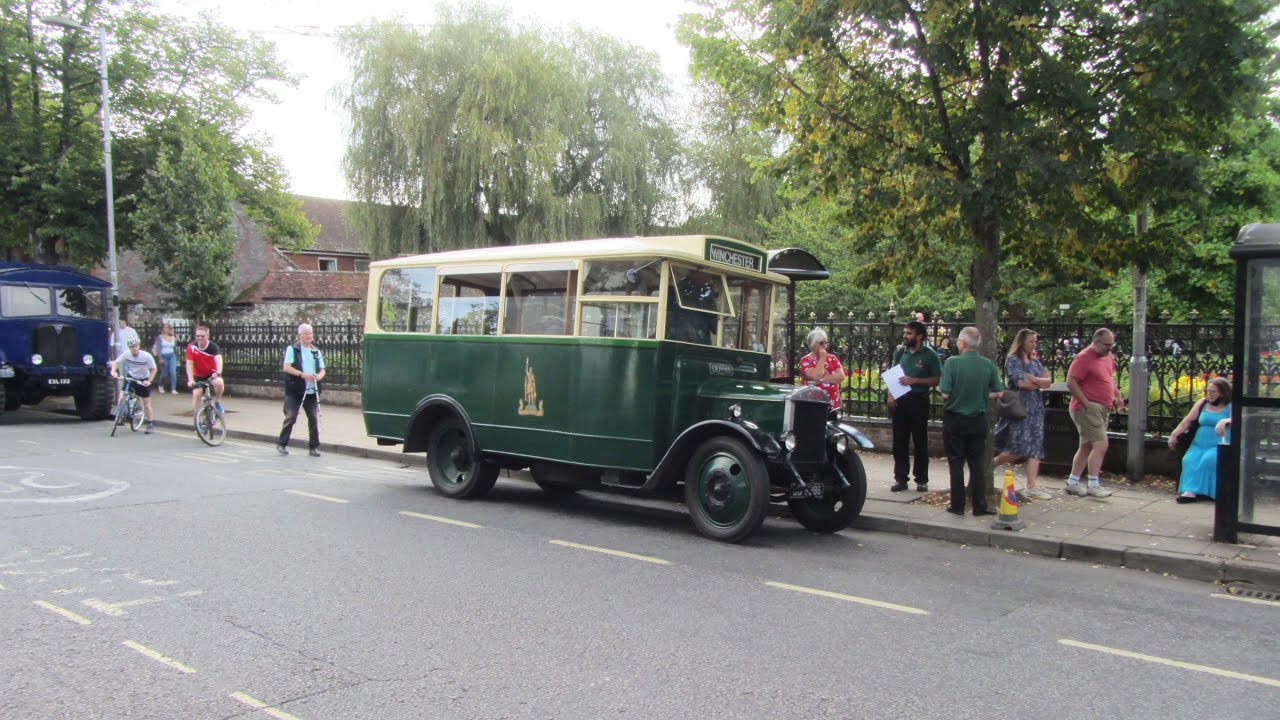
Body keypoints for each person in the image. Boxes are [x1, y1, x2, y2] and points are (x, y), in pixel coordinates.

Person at [938, 326, 1003, 516]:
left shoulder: (952, 363)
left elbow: (945, 393)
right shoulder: (988, 365)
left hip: (955, 420)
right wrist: (983, 394)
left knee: (956, 463)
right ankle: (979, 505)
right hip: (977, 420)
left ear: (963, 343)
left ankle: (957, 505)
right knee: (977, 463)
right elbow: (999, 392)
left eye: (958, 340)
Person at [993, 329, 1054, 500]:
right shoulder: (1013, 360)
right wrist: (1037, 381)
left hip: (1036, 409)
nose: (1034, 345)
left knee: (1035, 447)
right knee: (1019, 447)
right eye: (1031, 342)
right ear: (1022, 342)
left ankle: (1031, 486)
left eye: (1035, 341)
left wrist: (1034, 380)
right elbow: (1021, 383)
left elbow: (1047, 382)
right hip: (1021, 408)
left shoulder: (1034, 361)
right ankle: (994, 463)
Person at [1065, 328, 1125, 498]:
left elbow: (1108, 377)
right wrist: (1086, 403)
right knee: (1100, 444)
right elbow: (1071, 382)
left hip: (1101, 407)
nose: (1109, 348)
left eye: (1111, 345)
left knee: (1086, 446)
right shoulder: (1084, 357)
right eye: (1106, 345)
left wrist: (1117, 395)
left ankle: (1073, 482)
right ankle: (1093, 484)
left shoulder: (1107, 356)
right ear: (1096, 341)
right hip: (1088, 408)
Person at [887, 320, 942, 492]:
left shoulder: (929, 355)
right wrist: (890, 395)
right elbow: (892, 373)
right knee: (899, 441)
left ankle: (921, 479)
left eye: (909, 333)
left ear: (919, 336)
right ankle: (901, 478)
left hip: (918, 400)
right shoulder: (900, 352)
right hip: (900, 400)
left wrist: (915, 380)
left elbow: (937, 379)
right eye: (905, 333)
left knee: (920, 441)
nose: (905, 336)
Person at [1166, 377, 1232, 503]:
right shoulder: (1203, 403)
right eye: (1208, 391)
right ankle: (1190, 491)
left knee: (1209, 459)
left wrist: (1225, 421)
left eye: (1213, 392)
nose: (1209, 395)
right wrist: (1174, 434)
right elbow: (1188, 420)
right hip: (1200, 442)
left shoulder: (1230, 406)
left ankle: (1209, 491)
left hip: (1218, 442)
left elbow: (1236, 419)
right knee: (1189, 460)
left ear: (1223, 393)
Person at [277, 323, 326, 457]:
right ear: (299, 336)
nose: (309, 336)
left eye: (310, 333)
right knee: (291, 417)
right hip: (295, 389)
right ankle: (282, 443)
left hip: (311, 391)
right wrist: (302, 374)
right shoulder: (293, 349)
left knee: (313, 418)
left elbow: (322, 369)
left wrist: (318, 376)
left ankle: (314, 447)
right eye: (306, 333)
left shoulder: (316, 351)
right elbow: (286, 367)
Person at [110, 338, 157, 434]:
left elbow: (154, 369)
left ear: (139, 346)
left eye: (136, 346)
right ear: (129, 348)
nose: (134, 349)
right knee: (121, 396)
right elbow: (116, 362)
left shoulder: (146, 356)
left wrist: (149, 381)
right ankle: (121, 415)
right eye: (132, 347)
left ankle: (150, 424)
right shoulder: (127, 354)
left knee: (146, 404)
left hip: (143, 379)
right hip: (131, 377)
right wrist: (113, 371)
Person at [799, 328, 845, 410]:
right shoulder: (805, 360)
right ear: (813, 344)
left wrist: (822, 379)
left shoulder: (832, 358)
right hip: (813, 404)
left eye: (826, 342)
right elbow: (815, 377)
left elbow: (841, 376)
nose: (824, 345)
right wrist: (822, 358)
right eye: (821, 343)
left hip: (832, 403)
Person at [186, 325, 225, 416]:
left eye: (202, 336)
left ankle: (217, 401)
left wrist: (218, 371)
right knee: (197, 394)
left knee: (219, 383)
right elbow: (189, 364)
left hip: (211, 374)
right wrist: (190, 379)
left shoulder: (213, 346)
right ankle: (196, 416)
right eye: (198, 336)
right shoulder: (191, 347)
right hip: (197, 375)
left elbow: (218, 359)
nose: (200, 338)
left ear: (207, 336)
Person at [151, 323, 178, 394]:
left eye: (167, 328)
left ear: (170, 329)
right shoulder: (160, 337)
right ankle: (160, 385)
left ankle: (173, 388)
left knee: (173, 372)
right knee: (164, 373)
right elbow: (159, 348)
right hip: (163, 356)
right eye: (164, 327)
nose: (165, 329)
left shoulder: (173, 337)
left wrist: (177, 358)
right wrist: (160, 358)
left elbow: (175, 349)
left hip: (172, 356)